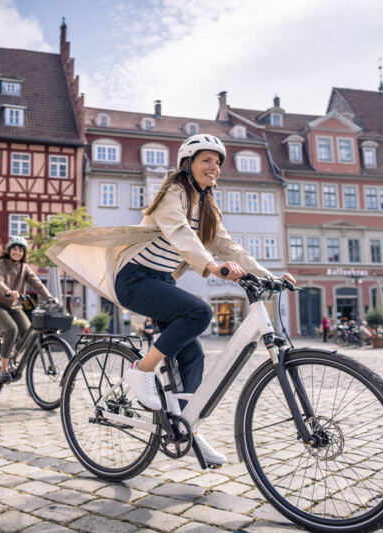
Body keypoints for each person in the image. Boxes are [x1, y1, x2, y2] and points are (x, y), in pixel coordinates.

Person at [103, 134, 295, 465]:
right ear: (188, 164)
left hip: (161, 281)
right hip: (134, 278)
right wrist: (210, 265)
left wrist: (270, 276)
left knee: (192, 354)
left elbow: (229, 247)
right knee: (199, 312)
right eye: (206, 160)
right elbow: (180, 234)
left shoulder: (206, 207)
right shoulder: (172, 193)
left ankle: (186, 427)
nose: (214, 167)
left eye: (218, 162)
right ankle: (142, 369)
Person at [0, 236, 54, 383]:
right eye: (14, 249)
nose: (17, 252)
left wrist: (49, 298)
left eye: (20, 250)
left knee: (29, 331)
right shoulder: (1, 263)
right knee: (11, 329)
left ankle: (14, 357)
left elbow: (37, 284)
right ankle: (3, 369)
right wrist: (8, 291)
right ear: (9, 250)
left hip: (15, 306)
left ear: (24, 253)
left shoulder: (25, 268)